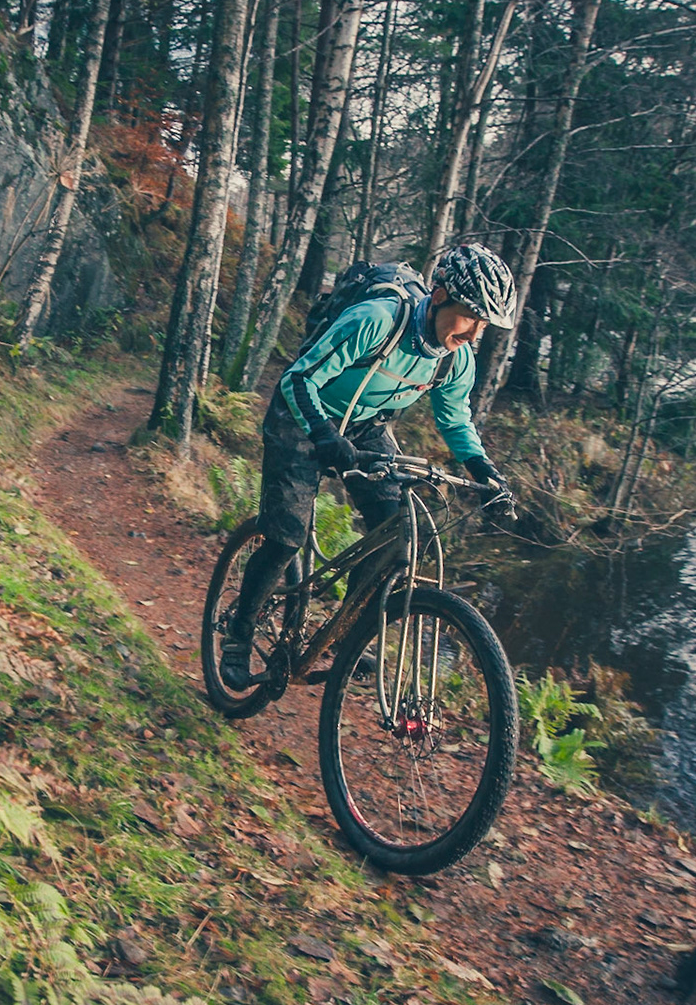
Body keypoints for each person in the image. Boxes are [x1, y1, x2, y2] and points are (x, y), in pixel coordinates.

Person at [219, 242, 519, 690]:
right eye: (471, 316)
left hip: (364, 426)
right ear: (440, 296)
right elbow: (298, 379)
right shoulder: (377, 320)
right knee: (285, 537)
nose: (476, 333)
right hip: (303, 416)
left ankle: (344, 637)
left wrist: (486, 474)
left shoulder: (457, 359)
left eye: (485, 324)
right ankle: (239, 635)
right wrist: (322, 434)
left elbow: (455, 420)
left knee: (394, 532)